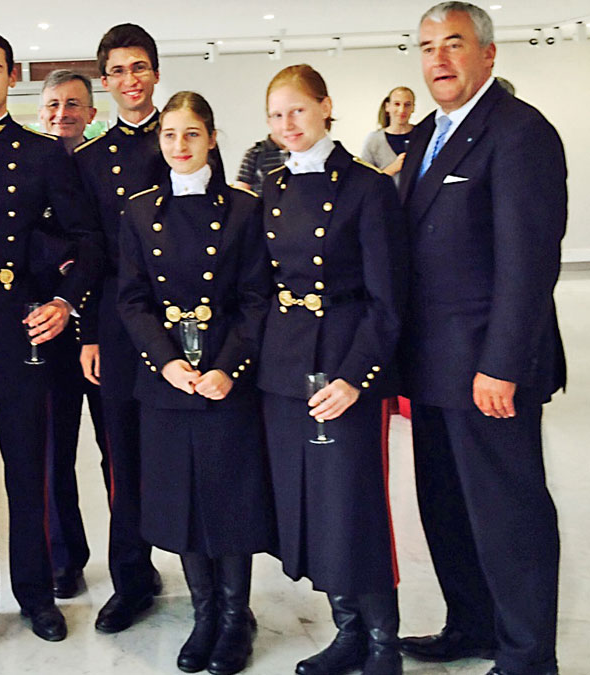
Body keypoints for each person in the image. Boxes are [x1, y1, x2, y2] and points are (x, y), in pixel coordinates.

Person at [397, 4, 566, 675]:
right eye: (428, 46)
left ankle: (528, 655)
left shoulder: (520, 133)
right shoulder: (425, 137)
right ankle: (470, 623)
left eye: (454, 44)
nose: (439, 59)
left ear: (488, 55)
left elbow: (529, 264)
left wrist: (501, 364)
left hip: (488, 372)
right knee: (447, 508)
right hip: (433, 368)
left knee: (509, 516)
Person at [0, 29, 103, 652]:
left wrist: (65, 303)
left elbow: (87, 240)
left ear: (12, 78)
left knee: (29, 472)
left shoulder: (43, 154)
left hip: (25, 332)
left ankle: (35, 594)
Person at [257, 64, 406, 675]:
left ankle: (381, 643)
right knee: (309, 505)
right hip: (286, 366)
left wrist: (353, 378)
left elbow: (388, 301)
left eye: (297, 110)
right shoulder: (268, 189)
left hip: (344, 364)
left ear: (325, 107)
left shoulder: (367, 188)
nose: (287, 124)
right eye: (275, 114)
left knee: (353, 505)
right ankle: (347, 629)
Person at [118, 91, 273, 675]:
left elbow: (258, 301)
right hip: (168, 380)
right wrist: (166, 362)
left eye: (190, 134)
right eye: (169, 135)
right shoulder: (138, 210)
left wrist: (226, 369)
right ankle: (204, 613)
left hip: (226, 377)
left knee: (229, 500)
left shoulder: (244, 208)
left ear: (211, 138)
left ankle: (235, 617)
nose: (179, 146)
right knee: (179, 500)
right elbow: (131, 301)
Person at [73, 23, 168, 634]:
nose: (130, 81)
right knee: (121, 456)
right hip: (116, 323)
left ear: (156, 73)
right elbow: (87, 253)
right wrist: (88, 333)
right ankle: (131, 577)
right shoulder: (87, 161)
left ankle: (210, 581)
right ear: (105, 82)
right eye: (118, 71)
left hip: (189, 323)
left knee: (188, 449)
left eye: (140, 68)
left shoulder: (188, 138)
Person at [37, 68, 107, 600]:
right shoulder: (31, 164)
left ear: (91, 112)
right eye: (54, 104)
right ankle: (65, 557)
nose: (63, 113)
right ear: (42, 111)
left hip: (108, 329)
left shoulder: (106, 165)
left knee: (119, 454)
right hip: (52, 333)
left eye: (74, 104)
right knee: (54, 453)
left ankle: (134, 560)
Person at [361, 86, 416, 185]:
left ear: (413, 108)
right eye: (397, 104)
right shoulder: (374, 140)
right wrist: (392, 169)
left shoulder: (424, 136)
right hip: (385, 199)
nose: (402, 110)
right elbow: (364, 182)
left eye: (407, 105)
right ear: (387, 107)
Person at [39, 69, 98, 154]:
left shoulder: (104, 160)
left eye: (72, 104)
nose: (61, 114)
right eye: (54, 105)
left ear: (91, 115)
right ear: (42, 114)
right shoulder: (25, 161)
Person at [234, 129, 288, 195]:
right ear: (269, 121)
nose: (286, 126)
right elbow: (240, 194)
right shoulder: (255, 153)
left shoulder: (301, 152)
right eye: (279, 118)